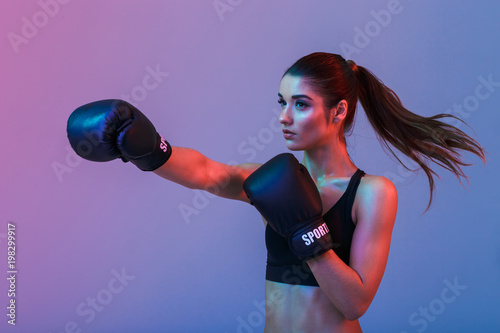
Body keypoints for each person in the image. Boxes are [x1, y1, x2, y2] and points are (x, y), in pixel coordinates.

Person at [67, 52, 485, 332]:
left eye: (300, 104)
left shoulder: (373, 193)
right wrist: (147, 148)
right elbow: (207, 173)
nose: (284, 117)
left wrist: (310, 235)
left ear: (338, 111)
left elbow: (355, 303)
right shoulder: (270, 178)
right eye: (281, 102)